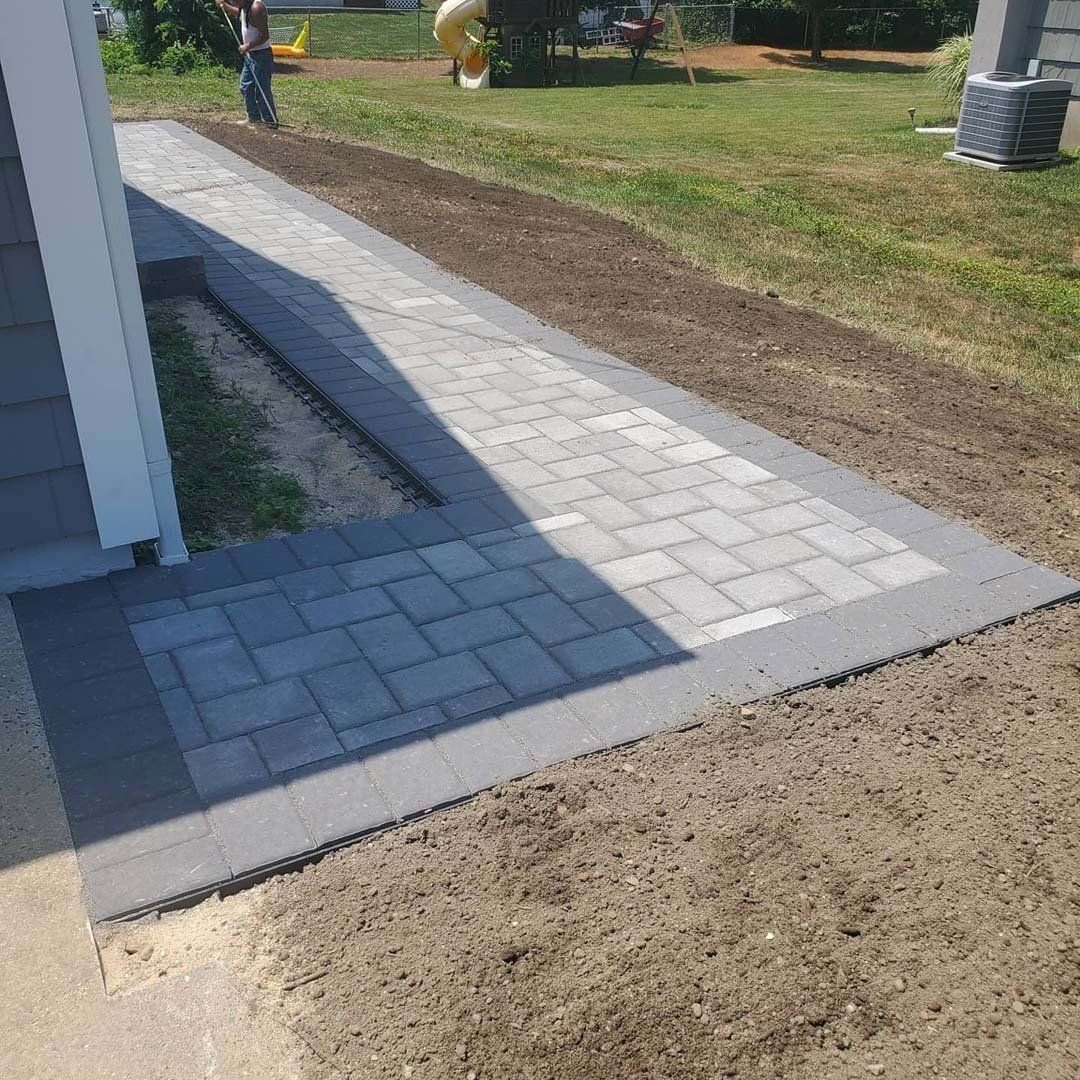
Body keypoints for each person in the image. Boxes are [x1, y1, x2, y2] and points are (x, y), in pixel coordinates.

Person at [214, 0, 277, 126]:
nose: (235, 2)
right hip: (251, 55)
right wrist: (224, 5)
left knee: (261, 90)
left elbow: (265, 35)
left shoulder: (256, 8)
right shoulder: (244, 7)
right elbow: (239, 14)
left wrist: (247, 46)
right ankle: (254, 117)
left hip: (261, 56)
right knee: (245, 86)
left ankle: (269, 121)